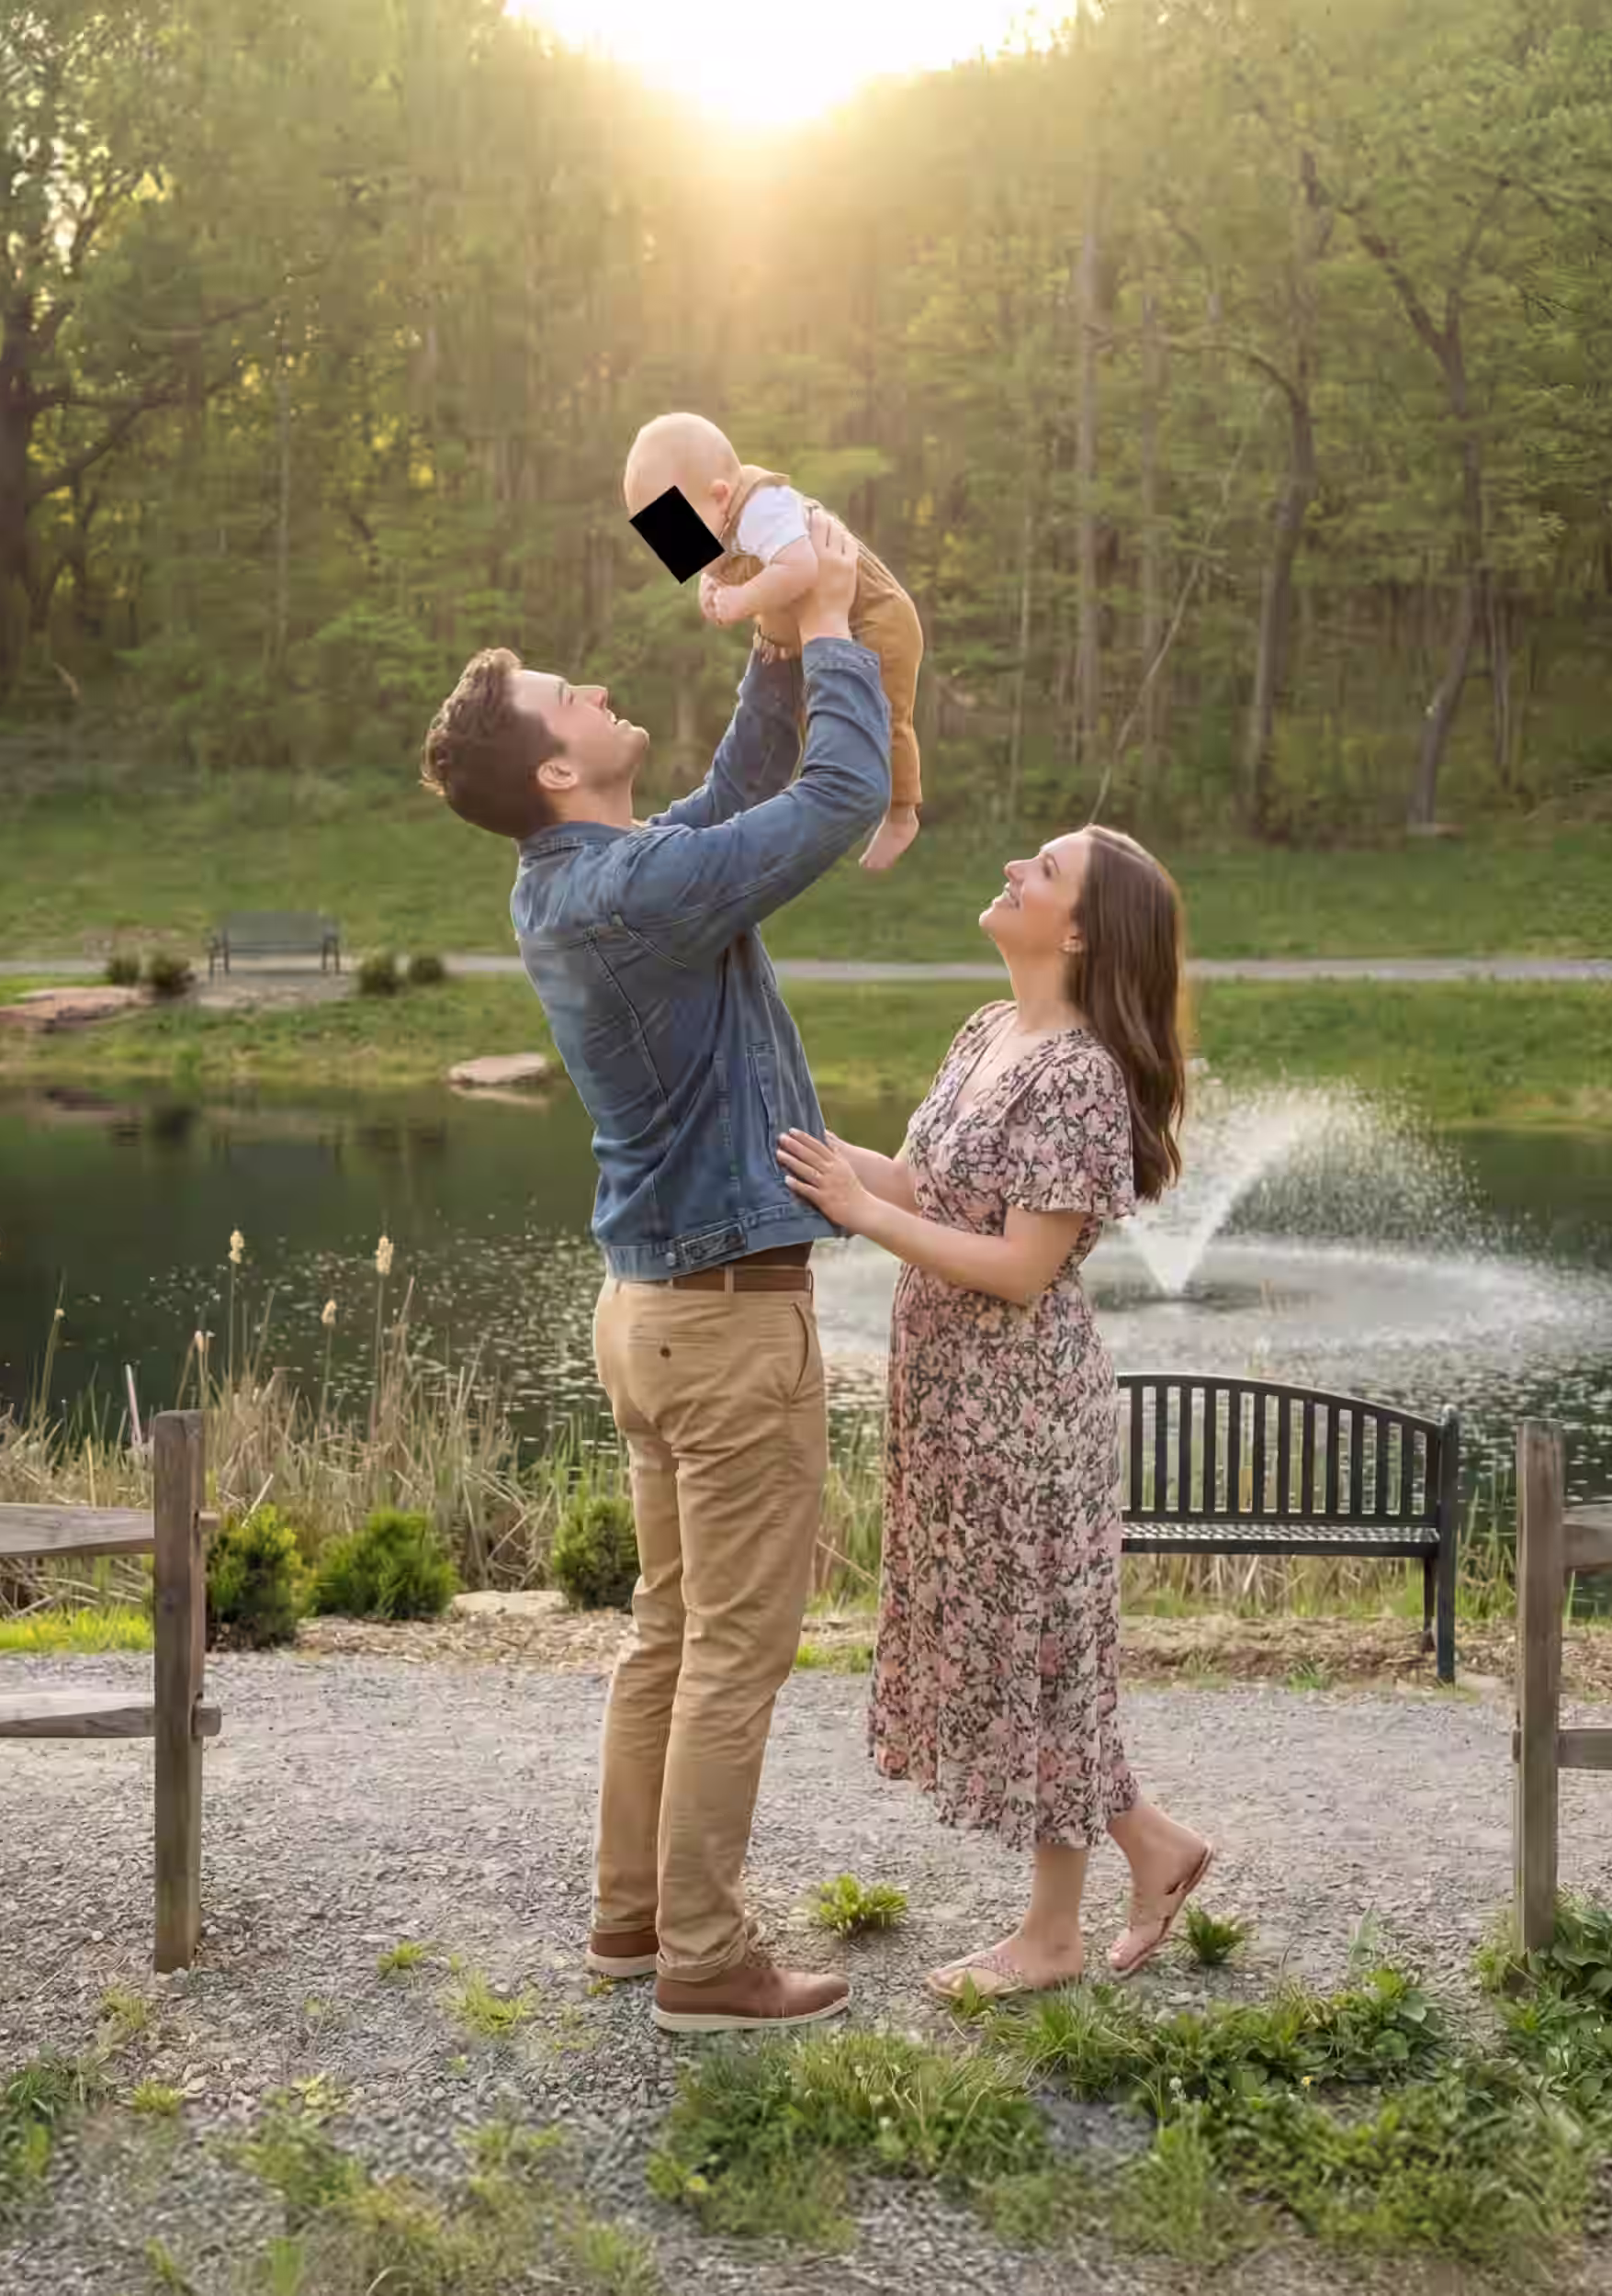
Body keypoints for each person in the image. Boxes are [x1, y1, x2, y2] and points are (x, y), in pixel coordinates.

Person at [418, 502, 884, 2035]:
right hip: (728, 1329)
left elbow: (737, 795)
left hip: (651, 1318)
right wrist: (819, 625)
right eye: (572, 698)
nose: (601, 690)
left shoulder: (582, 877)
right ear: (555, 769)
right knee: (733, 1655)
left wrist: (766, 627)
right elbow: (834, 798)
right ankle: (704, 1956)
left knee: (669, 1639)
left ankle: (633, 1923)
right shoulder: (627, 896)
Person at [773, 825, 1217, 2001]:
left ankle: (1052, 1933)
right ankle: (1156, 1848)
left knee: (1042, 1648)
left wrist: (859, 1220)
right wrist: (816, 1153)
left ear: (1077, 929)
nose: (1016, 867)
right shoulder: (988, 1031)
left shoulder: (1078, 1072)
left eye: (1047, 868)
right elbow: (930, 1187)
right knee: (1018, 1646)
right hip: (953, 1398)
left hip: (1026, 1409)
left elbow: (1020, 1266)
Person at [622, 411, 928, 873]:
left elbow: (801, 568)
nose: (677, 547)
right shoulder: (722, 513)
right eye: (662, 535)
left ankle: (902, 811)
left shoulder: (766, 507)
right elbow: (720, 558)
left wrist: (742, 599)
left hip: (875, 618)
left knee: (883, 718)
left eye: (677, 529)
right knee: (807, 715)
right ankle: (770, 812)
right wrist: (711, 581)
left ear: (720, 495)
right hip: (807, 627)